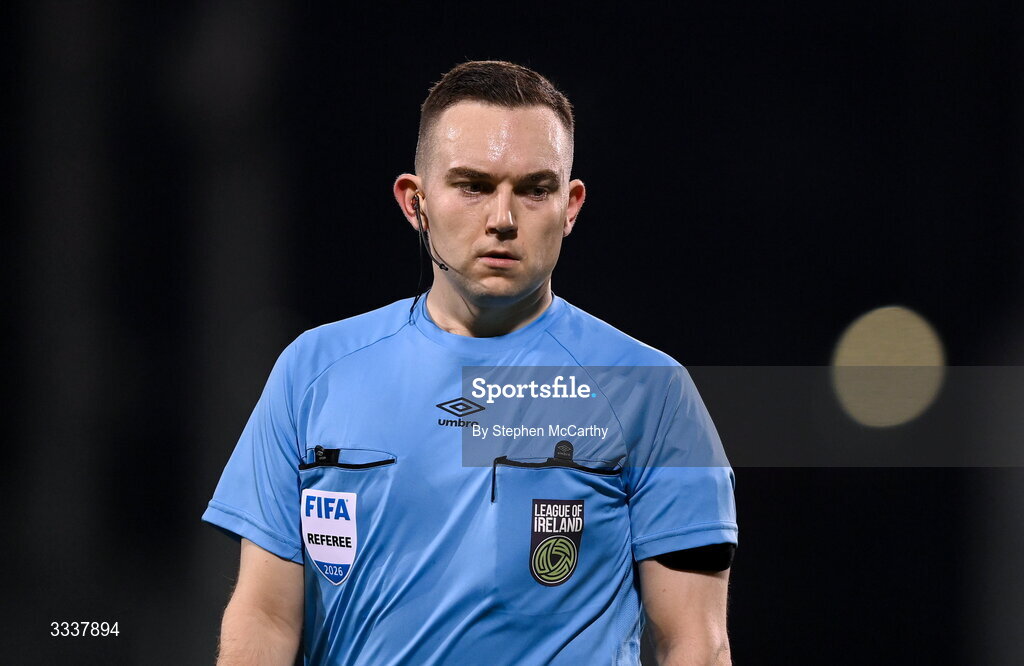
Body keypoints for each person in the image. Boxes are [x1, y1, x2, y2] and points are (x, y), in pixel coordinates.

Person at [203, 60, 738, 665]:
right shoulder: (313, 372)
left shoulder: (651, 392)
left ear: (571, 205)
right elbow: (266, 617)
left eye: (535, 189)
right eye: (473, 185)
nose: (503, 220)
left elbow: (695, 643)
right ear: (416, 202)